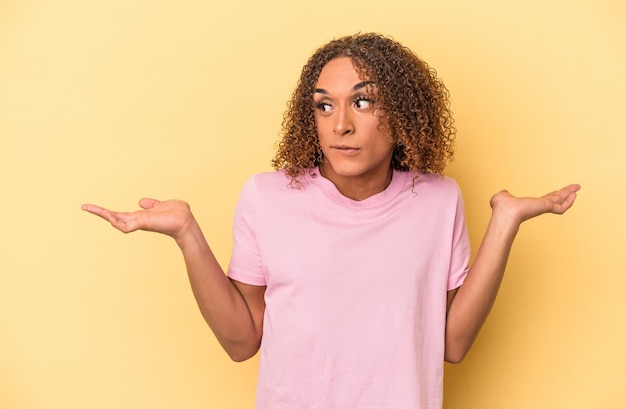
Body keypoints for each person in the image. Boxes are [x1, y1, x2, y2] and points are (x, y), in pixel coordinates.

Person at [82, 33, 579, 409]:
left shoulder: (438, 200)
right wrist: (187, 235)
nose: (341, 124)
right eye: (325, 105)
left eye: (363, 101)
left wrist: (505, 223)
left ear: (404, 113)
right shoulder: (267, 196)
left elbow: (450, 344)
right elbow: (241, 343)